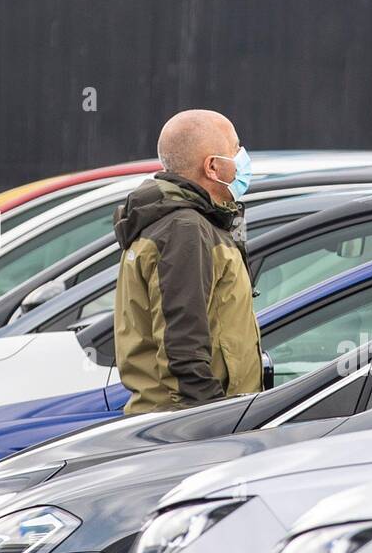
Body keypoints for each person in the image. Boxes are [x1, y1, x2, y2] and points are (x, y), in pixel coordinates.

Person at [112, 109, 263, 414]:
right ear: (212, 166)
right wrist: (214, 422)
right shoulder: (185, 229)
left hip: (181, 425)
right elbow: (182, 350)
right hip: (187, 432)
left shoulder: (186, 222)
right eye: (236, 149)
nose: (242, 158)